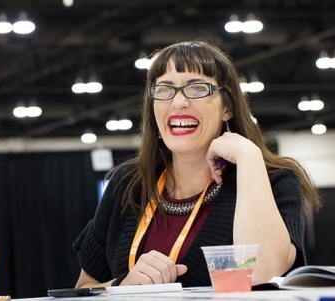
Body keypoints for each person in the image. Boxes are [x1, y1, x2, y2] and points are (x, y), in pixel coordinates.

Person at [73, 41, 320, 287]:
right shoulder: (127, 183)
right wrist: (122, 287)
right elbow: (83, 289)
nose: (178, 102)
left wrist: (248, 156)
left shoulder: (274, 181)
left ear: (228, 107)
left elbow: (261, 272)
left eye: (197, 88)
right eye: (165, 90)